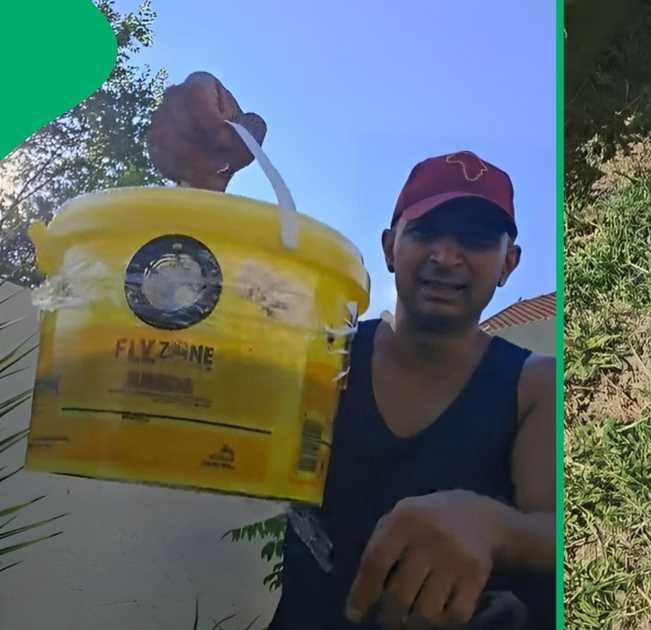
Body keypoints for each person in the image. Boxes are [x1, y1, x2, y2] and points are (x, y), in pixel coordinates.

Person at [148, 72, 556, 629]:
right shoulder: (322, 354)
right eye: (427, 230)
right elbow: (202, 355)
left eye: (477, 238)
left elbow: (556, 528)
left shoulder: (534, 384)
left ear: (510, 263)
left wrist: (488, 525)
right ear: (390, 247)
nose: (447, 255)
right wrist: (202, 191)